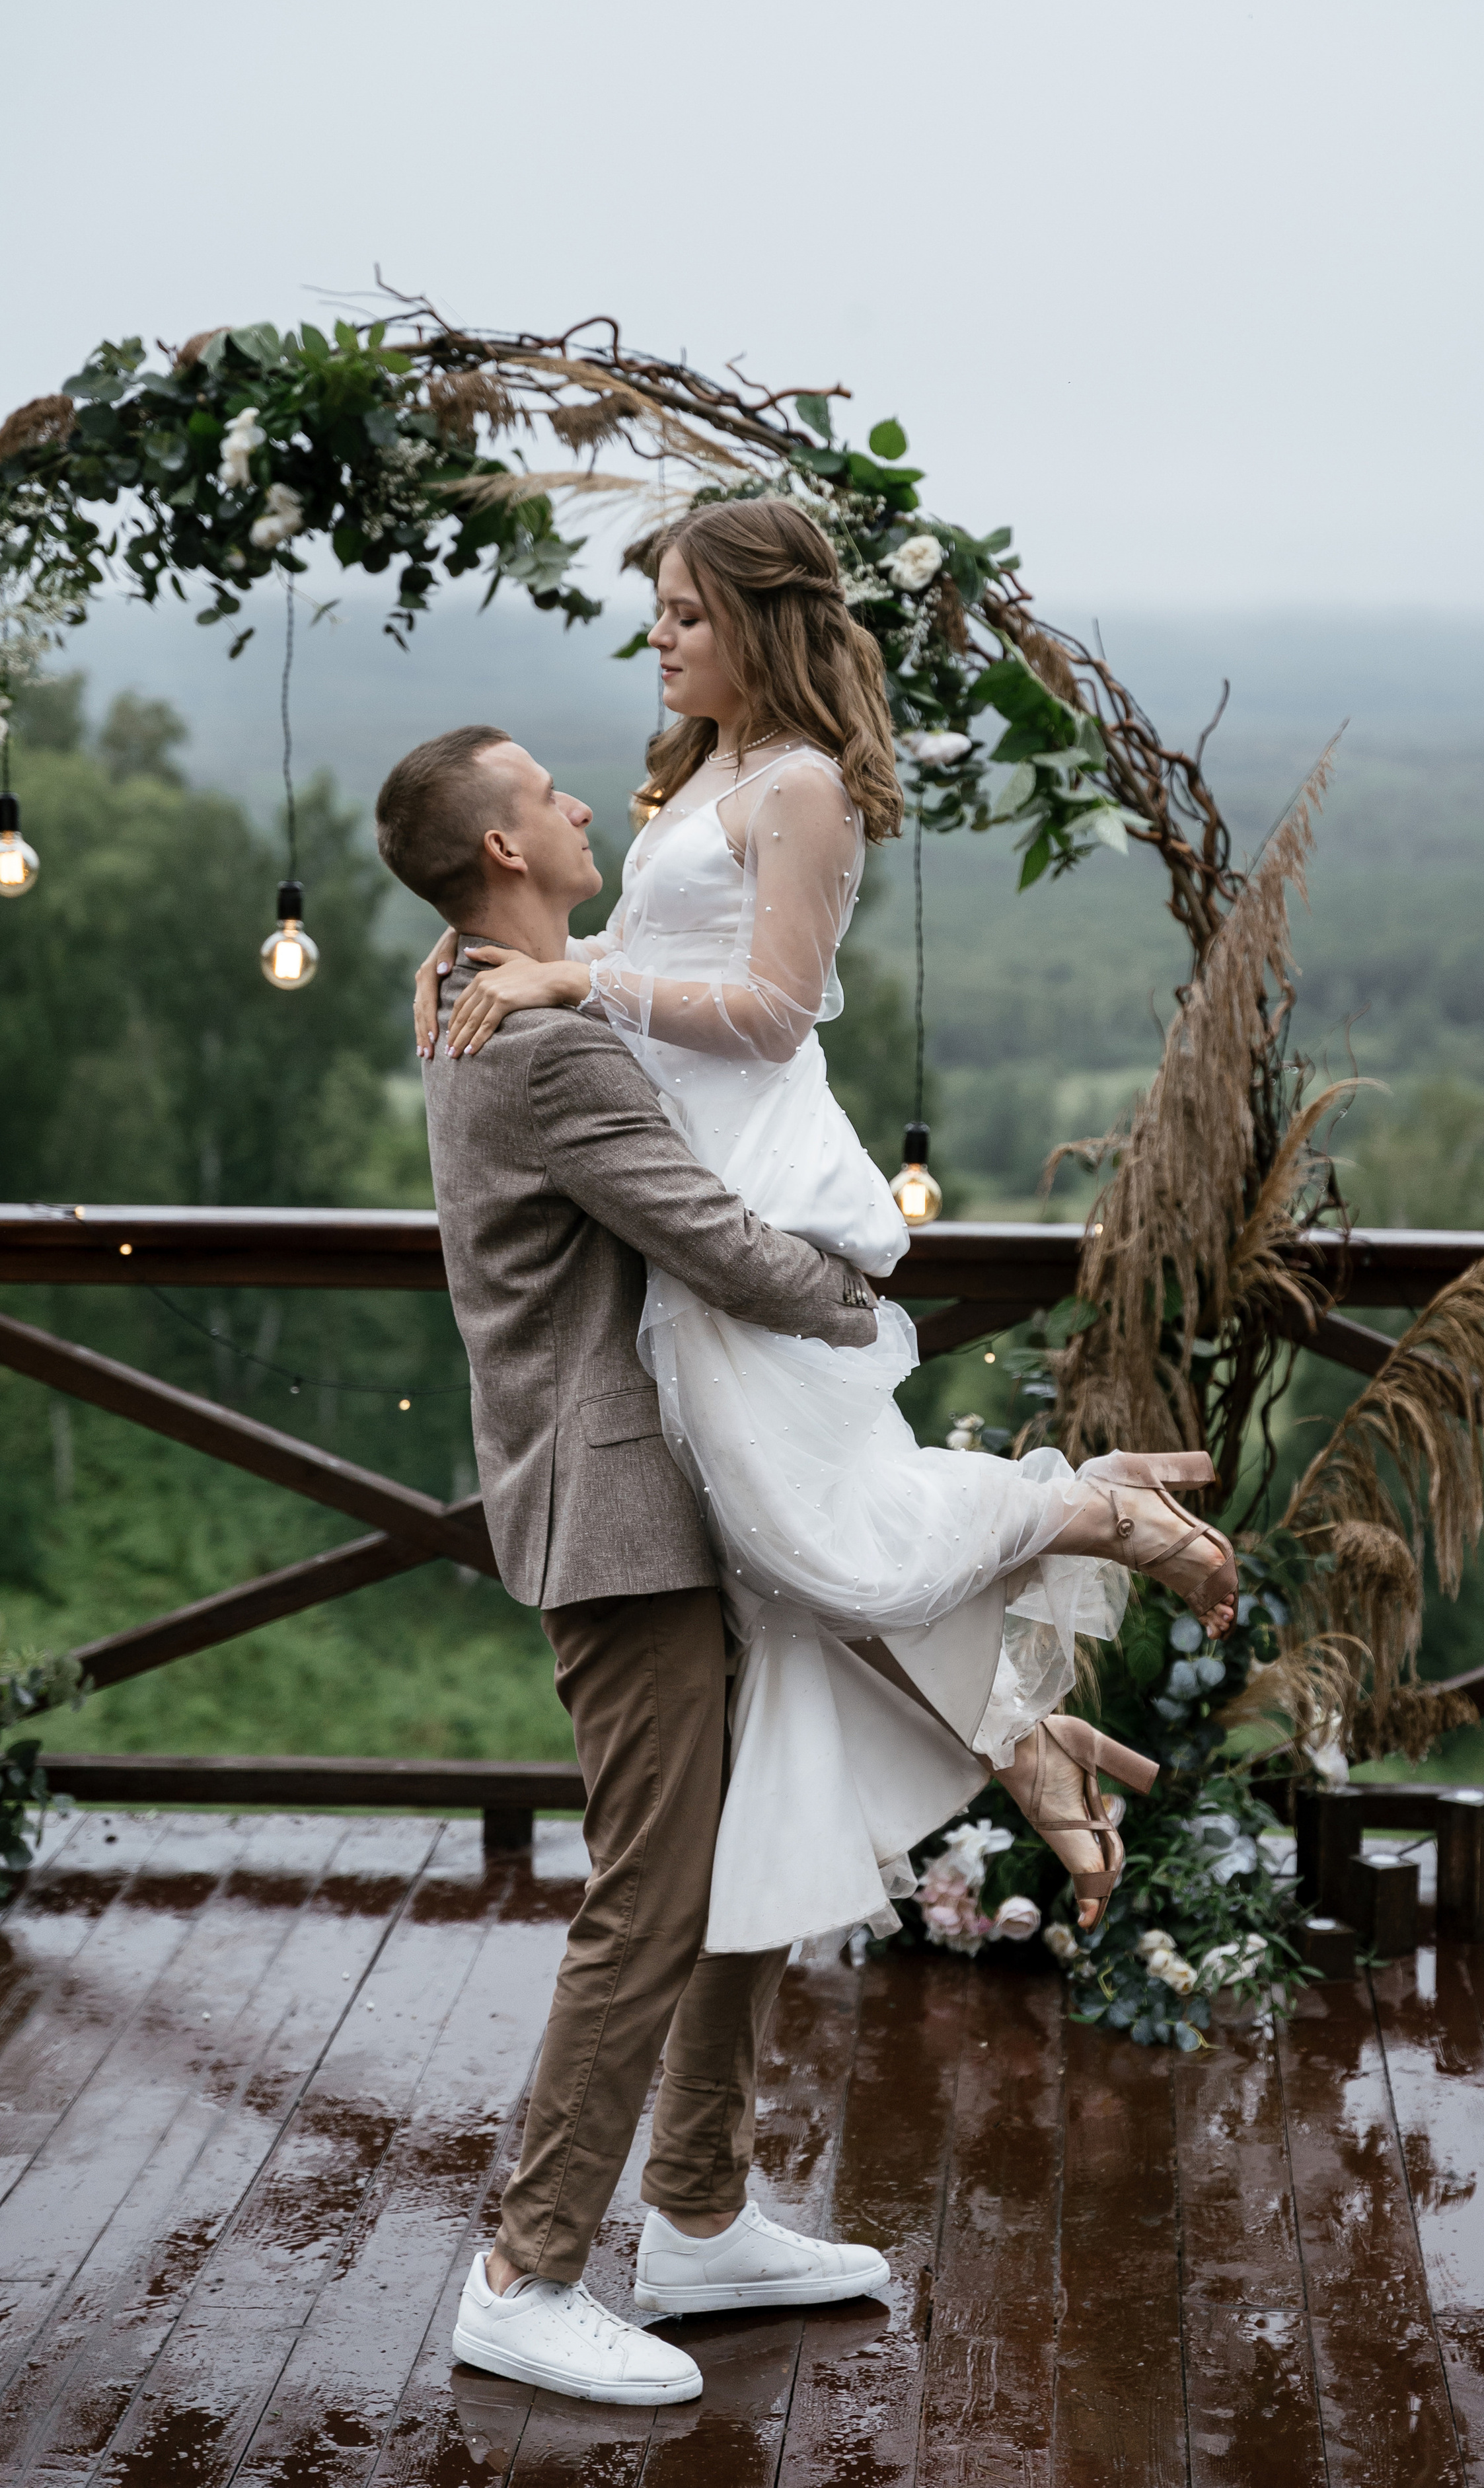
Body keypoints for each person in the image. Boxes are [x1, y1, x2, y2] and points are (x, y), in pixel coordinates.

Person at [410, 497, 1236, 1974]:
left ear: (757, 621)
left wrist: (568, 989)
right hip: (685, 1185)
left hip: (758, 1192)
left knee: (815, 1545)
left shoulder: (799, 785)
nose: (656, 638)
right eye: (655, 611)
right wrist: (504, 959)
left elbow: (774, 1011)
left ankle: (1083, 1509)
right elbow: (657, 954)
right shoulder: (705, 767)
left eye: (682, 612)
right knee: (784, 1568)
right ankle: (1021, 1743)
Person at [376, 726, 895, 2408]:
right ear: (506, 849)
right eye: (548, 793)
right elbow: (716, 1242)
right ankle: (528, 2274)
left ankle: (697, 2209)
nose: (585, 802)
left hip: (647, 1486)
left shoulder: (468, 981)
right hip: (621, 1512)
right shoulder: (541, 1056)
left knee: (727, 1850)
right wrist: (867, 1295)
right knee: (650, 1893)